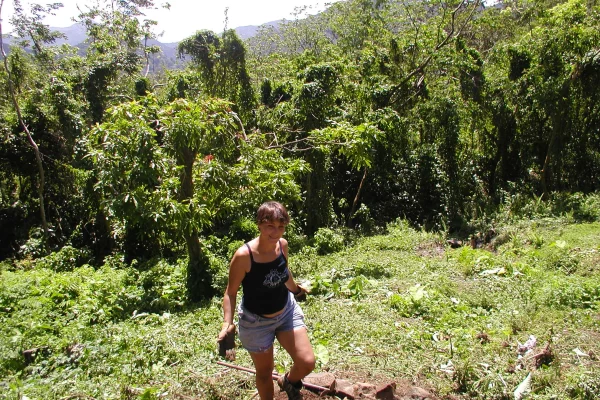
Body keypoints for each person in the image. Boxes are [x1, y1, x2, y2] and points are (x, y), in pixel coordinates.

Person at [217, 201, 315, 400]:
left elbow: (283, 272)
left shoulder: (282, 245)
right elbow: (230, 293)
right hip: (256, 323)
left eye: (281, 226)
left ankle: (288, 381)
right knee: (264, 372)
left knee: (307, 362)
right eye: (270, 226)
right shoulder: (244, 256)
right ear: (260, 225)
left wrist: (296, 290)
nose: (276, 232)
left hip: (286, 312)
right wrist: (227, 323)